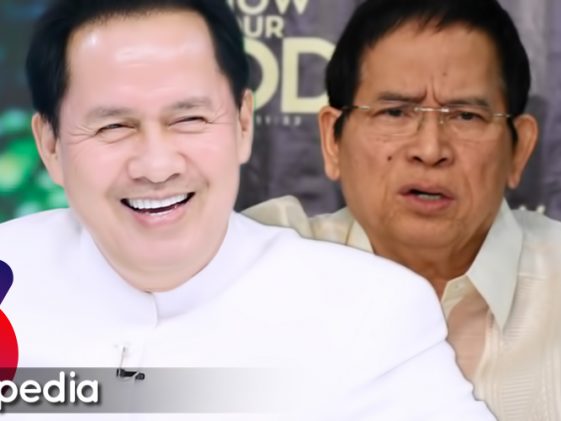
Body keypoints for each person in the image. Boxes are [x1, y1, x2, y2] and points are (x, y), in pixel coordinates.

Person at [0, 0, 494, 419]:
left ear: (242, 124)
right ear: (50, 146)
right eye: (114, 127)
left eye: (189, 119)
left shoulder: (371, 312)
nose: (156, 166)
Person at [244, 0, 561, 419]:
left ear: (519, 150)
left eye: (465, 116)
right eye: (394, 112)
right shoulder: (254, 269)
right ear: (332, 140)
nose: (429, 150)